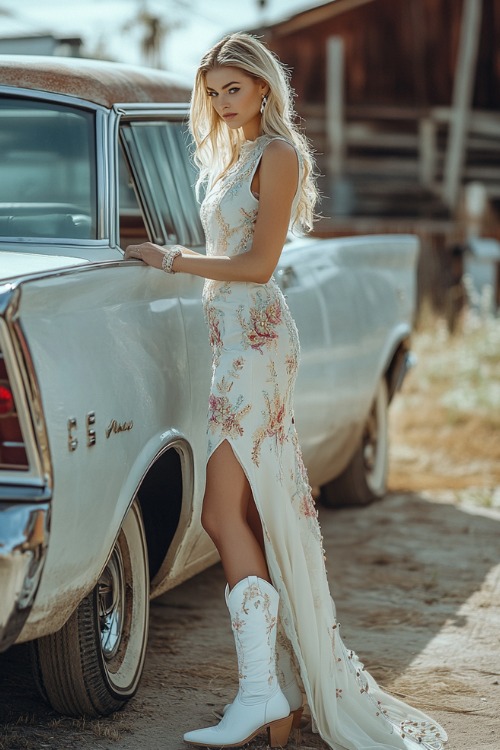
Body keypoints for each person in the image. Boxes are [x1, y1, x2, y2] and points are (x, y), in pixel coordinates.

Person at [125, 32, 448, 750]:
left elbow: (261, 263)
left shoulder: (277, 153)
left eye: (232, 89)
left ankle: (261, 695)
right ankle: (264, 698)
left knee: (221, 510)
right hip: (228, 342)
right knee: (232, 512)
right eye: (212, 92)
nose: (221, 102)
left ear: (265, 88)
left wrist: (172, 259)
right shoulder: (233, 157)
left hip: (259, 341)